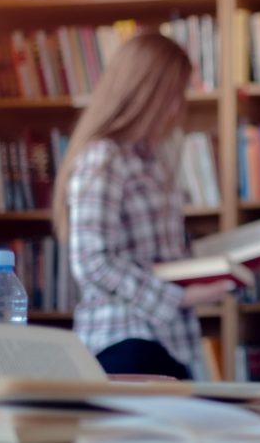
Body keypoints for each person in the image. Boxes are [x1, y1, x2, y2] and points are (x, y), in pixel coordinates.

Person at [51, 33, 233, 380]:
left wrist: (232, 264)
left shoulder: (150, 160)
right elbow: (92, 262)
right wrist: (177, 297)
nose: (177, 108)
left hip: (168, 340)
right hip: (124, 341)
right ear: (142, 94)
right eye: (171, 95)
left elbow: (159, 255)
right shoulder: (103, 159)